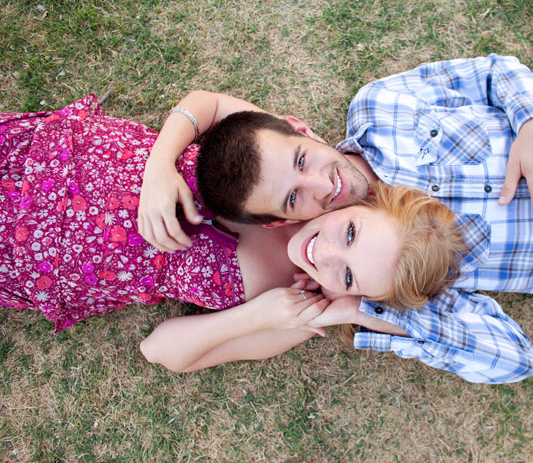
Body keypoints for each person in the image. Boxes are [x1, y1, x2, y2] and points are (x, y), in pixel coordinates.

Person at [140, 54, 533, 384]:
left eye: (304, 161)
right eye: (294, 200)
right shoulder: (390, 277)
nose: (322, 186)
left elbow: (493, 71)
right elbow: (508, 359)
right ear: (276, 224)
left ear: (303, 131)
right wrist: (355, 306)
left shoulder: (381, 106)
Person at [0, 95, 467, 372]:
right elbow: (212, 103)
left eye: (346, 277)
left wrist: (267, 316)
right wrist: (160, 167)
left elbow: (160, 351)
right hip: (52, 160)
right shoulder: (300, 160)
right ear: (371, 207)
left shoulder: (296, 309)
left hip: (33, 253)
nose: (323, 253)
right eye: (348, 233)